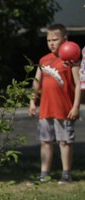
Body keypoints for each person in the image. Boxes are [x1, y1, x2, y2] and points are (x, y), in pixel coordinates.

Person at [28, 23, 81, 184]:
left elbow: (78, 84)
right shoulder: (43, 60)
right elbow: (36, 82)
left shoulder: (71, 60)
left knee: (64, 142)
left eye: (55, 40)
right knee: (45, 141)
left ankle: (66, 174)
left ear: (65, 39)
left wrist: (76, 106)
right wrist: (32, 101)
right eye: (48, 40)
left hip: (64, 109)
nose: (51, 43)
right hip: (46, 109)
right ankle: (44, 174)